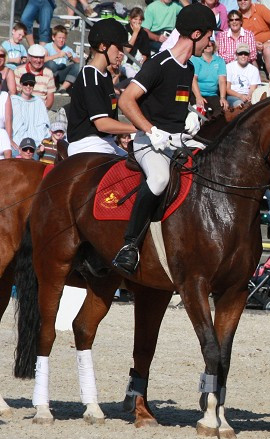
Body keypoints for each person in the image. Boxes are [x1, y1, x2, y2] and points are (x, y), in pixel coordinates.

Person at [113, 2, 215, 274]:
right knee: (160, 179)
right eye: (208, 37)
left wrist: (191, 115)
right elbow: (126, 100)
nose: (209, 43)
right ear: (195, 34)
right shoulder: (159, 63)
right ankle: (129, 245)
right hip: (149, 142)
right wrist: (150, 130)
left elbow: (175, 104)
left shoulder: (188, 69)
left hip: (175, 140)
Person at [66, 19, 138, 157]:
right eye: (118, 47)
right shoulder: (90, 74)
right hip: (87, 145)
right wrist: (139, 128)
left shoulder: (105, 75)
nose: (122, 53)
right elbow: (102, 124)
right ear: (103, 46)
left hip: (106, 143)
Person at [238, 0, 270, 71]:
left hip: (268, 43)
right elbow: (237, 37)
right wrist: (252, 44)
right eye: (239, 0)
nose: (242, 1)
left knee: (267, 50)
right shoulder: (236, 16)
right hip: (249, 46)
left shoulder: (259, 8)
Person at [12, 72, 50, 151]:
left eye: (31, 84)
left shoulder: (39, 101)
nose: (28, 86)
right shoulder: (13, 100)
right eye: (26, 84)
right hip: (18, 142)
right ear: (21, 85)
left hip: (36, 142)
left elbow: (44, 122)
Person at [192, 38, 229, 115]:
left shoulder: (220, 61)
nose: (209, 45)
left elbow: (222, 81)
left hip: (212, 94)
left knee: (222, 109)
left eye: (211, 42)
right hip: (197, 94)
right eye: (206, 43)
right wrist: (198, 97)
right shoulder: (196, 59)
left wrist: (222, 98)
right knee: (202, 111)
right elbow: (193, 79)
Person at [15, 44, 56, 110]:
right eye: (36, 57)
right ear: (29, 57)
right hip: (23, 108)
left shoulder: (48, 73)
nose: (38, 60)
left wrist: (44, 111)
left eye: (41, 58)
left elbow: (50, 98)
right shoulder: (19, 71)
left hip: (42, 109)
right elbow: (16, 93)